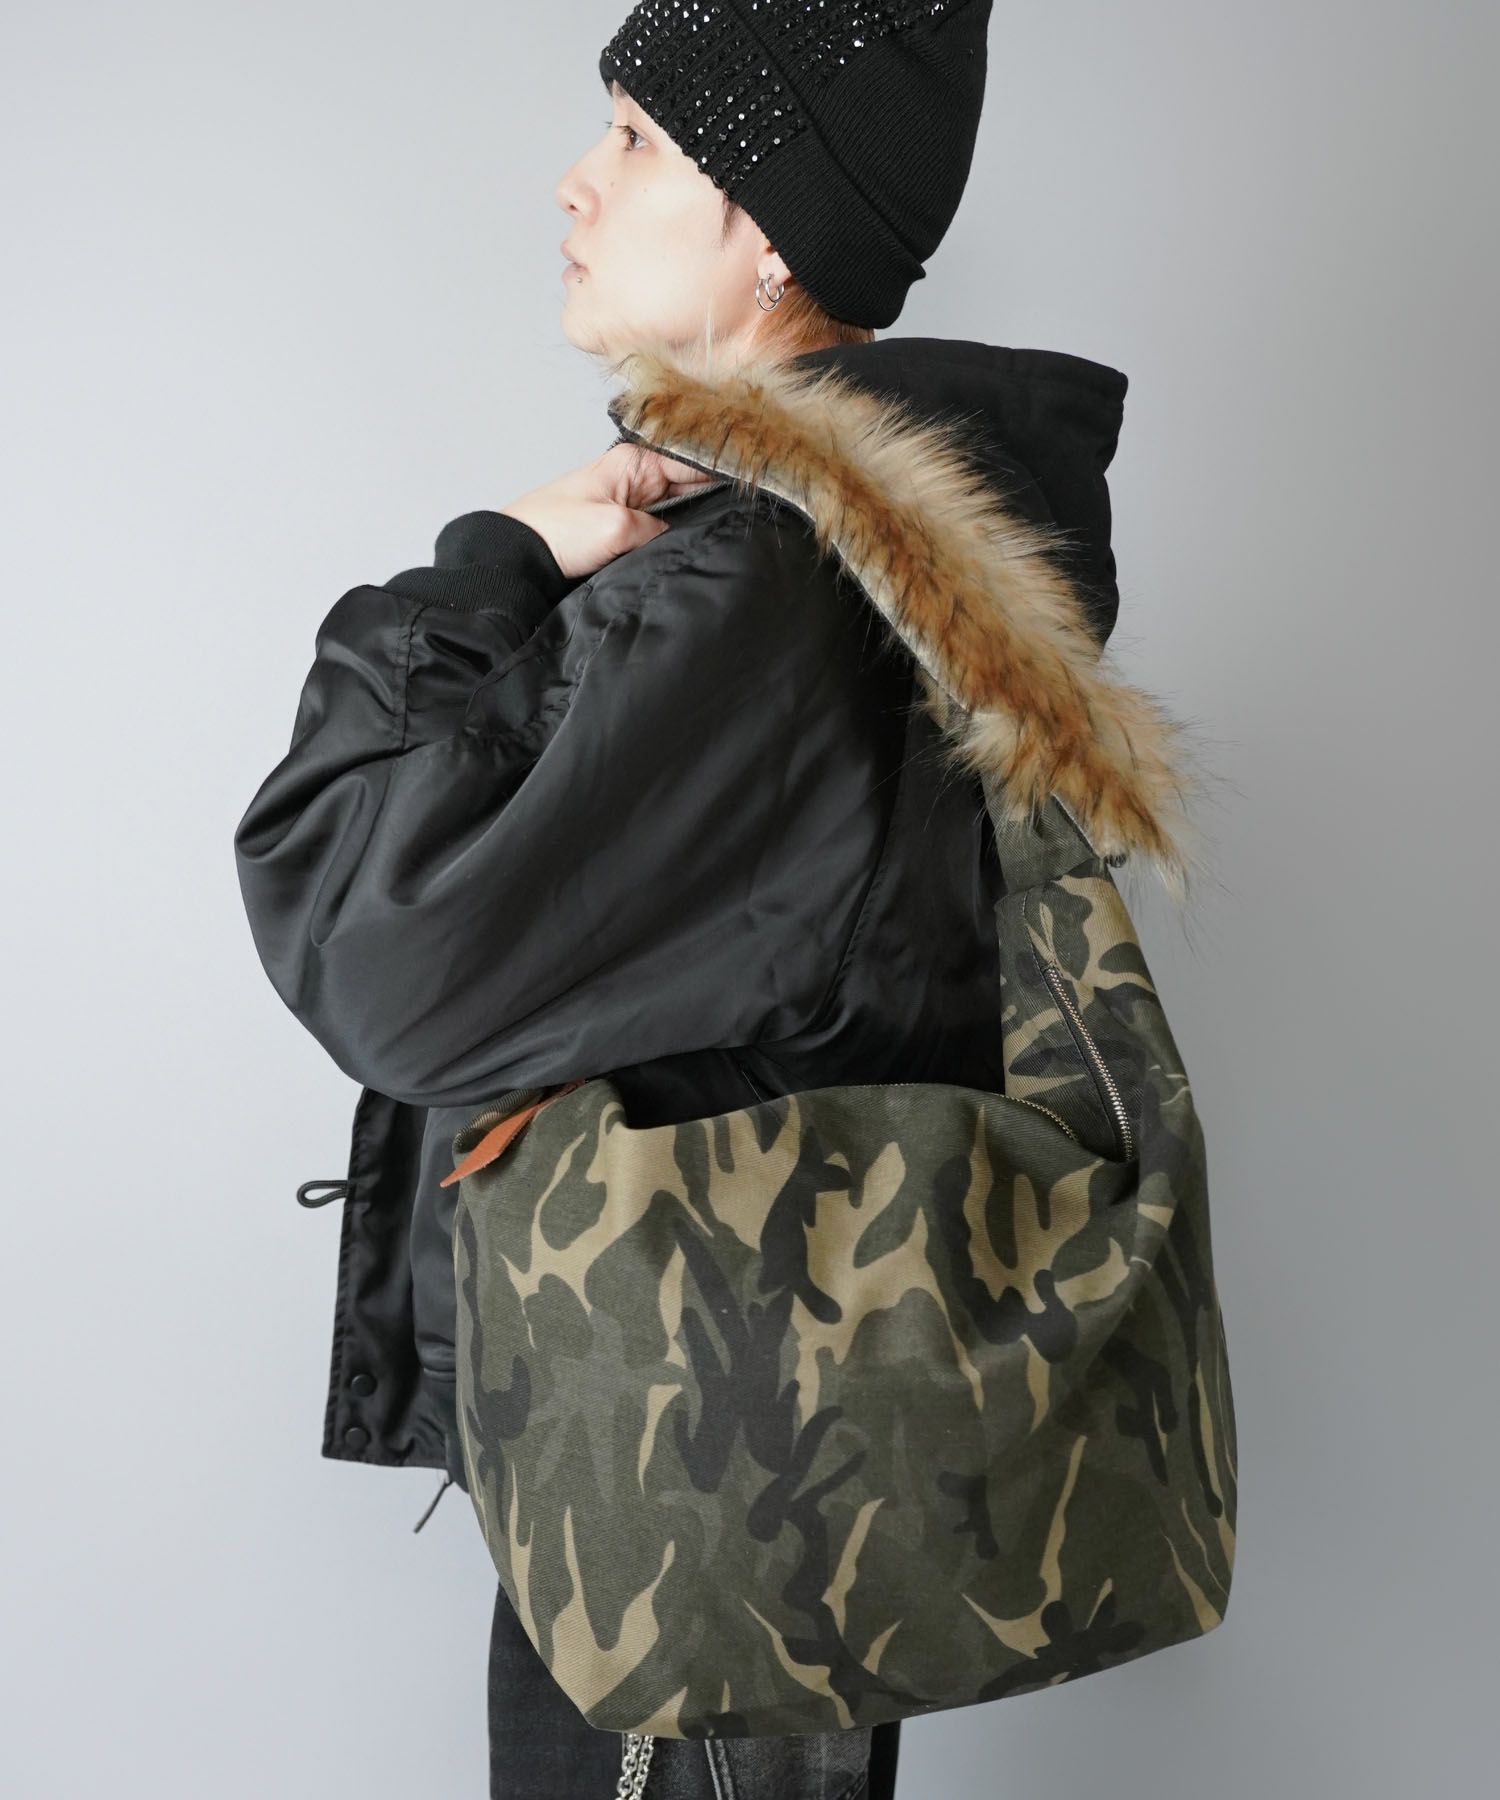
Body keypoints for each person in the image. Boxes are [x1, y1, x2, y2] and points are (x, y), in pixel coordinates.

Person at [234, 3, 1161, 1794]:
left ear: (774, 228)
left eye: (640, 138)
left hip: (692, 1487)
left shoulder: (764, 593)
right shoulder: (845, 572)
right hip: (758, 1450)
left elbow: (378, 947)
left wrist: (492, 566)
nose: (576, 183)